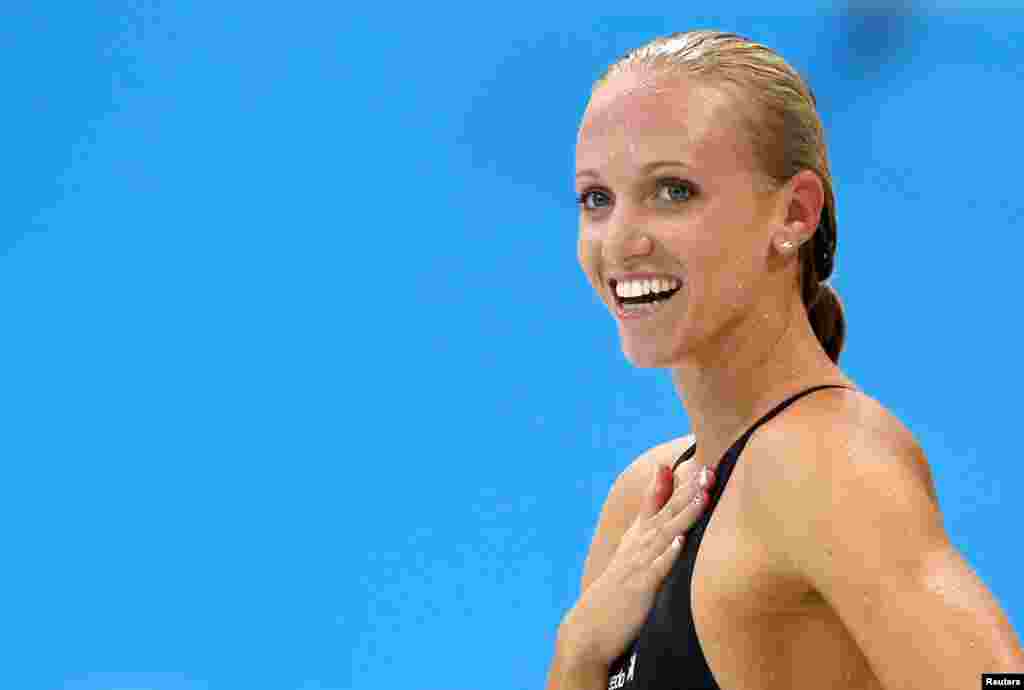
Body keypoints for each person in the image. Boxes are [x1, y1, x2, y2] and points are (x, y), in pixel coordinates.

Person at [546, 30, 1024, 690]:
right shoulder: (644, 499)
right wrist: (577, 652)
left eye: (673, 191)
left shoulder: (825, 464)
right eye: (597, 198)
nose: (622, 241)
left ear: (794, 214)